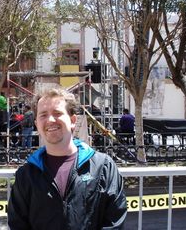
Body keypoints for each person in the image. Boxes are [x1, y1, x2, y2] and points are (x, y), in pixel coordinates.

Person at [8, 88, 127, 230]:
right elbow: (18, 224)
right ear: (36, 124)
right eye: (43, 115)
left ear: (72, 120)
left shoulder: (103, 167)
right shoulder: (26, 175)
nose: (50, 120)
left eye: (57, 113)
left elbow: (114, 222)